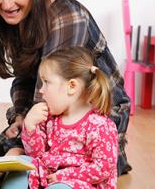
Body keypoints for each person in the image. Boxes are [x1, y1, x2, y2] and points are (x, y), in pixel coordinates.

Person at [0, 0, 131, 176]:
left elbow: (53, 97)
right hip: (50, 105)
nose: (6, 3)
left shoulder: (66, 18)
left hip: (95, 111)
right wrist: (20, 115)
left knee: (42, 163)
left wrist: (20, 145)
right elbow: (25, 77)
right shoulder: (18, 16)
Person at [20, 47, 118, 189]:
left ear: (71, 86)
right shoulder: (49, 119)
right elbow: (37, 155)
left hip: (80, 183)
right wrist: (30, 127)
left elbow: (102, 168)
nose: (41, 90)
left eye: (46, 82)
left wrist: (63, 176)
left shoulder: (99, 126)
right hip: (48, 179)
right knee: (21, 165)